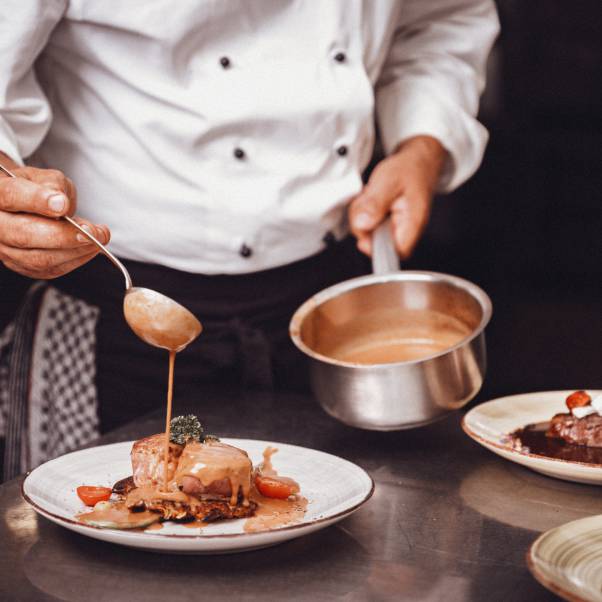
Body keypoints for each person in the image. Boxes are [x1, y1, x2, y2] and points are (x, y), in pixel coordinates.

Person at [0, 1, 499, 474]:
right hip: (114, 305)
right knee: (97, 531)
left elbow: (438, 25)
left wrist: (422, 143)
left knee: (339, 530)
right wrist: (8, 190)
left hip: (331, 313)